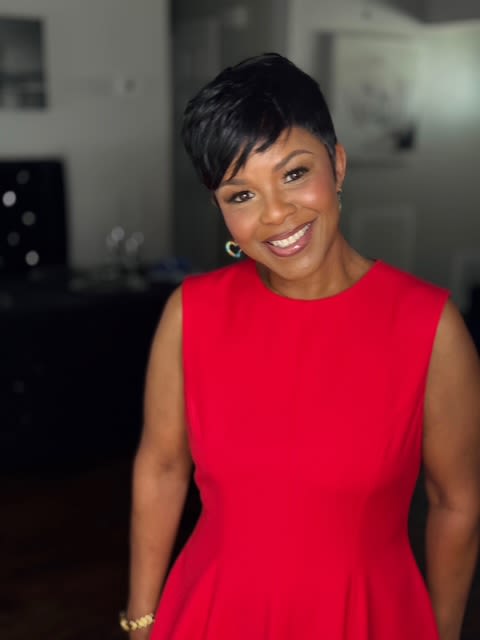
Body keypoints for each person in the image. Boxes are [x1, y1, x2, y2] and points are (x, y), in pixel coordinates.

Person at [122, 53, 480, 640]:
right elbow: (161, 470)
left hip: (365, 615)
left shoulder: (430, 327)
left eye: (293, 174)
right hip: (214, 611)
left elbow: (455, 503)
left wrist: (439, 630)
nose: (276, 215)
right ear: (220, 209)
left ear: (337, 164)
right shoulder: (191, 314)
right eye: (241, 195)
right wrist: (141, 622)